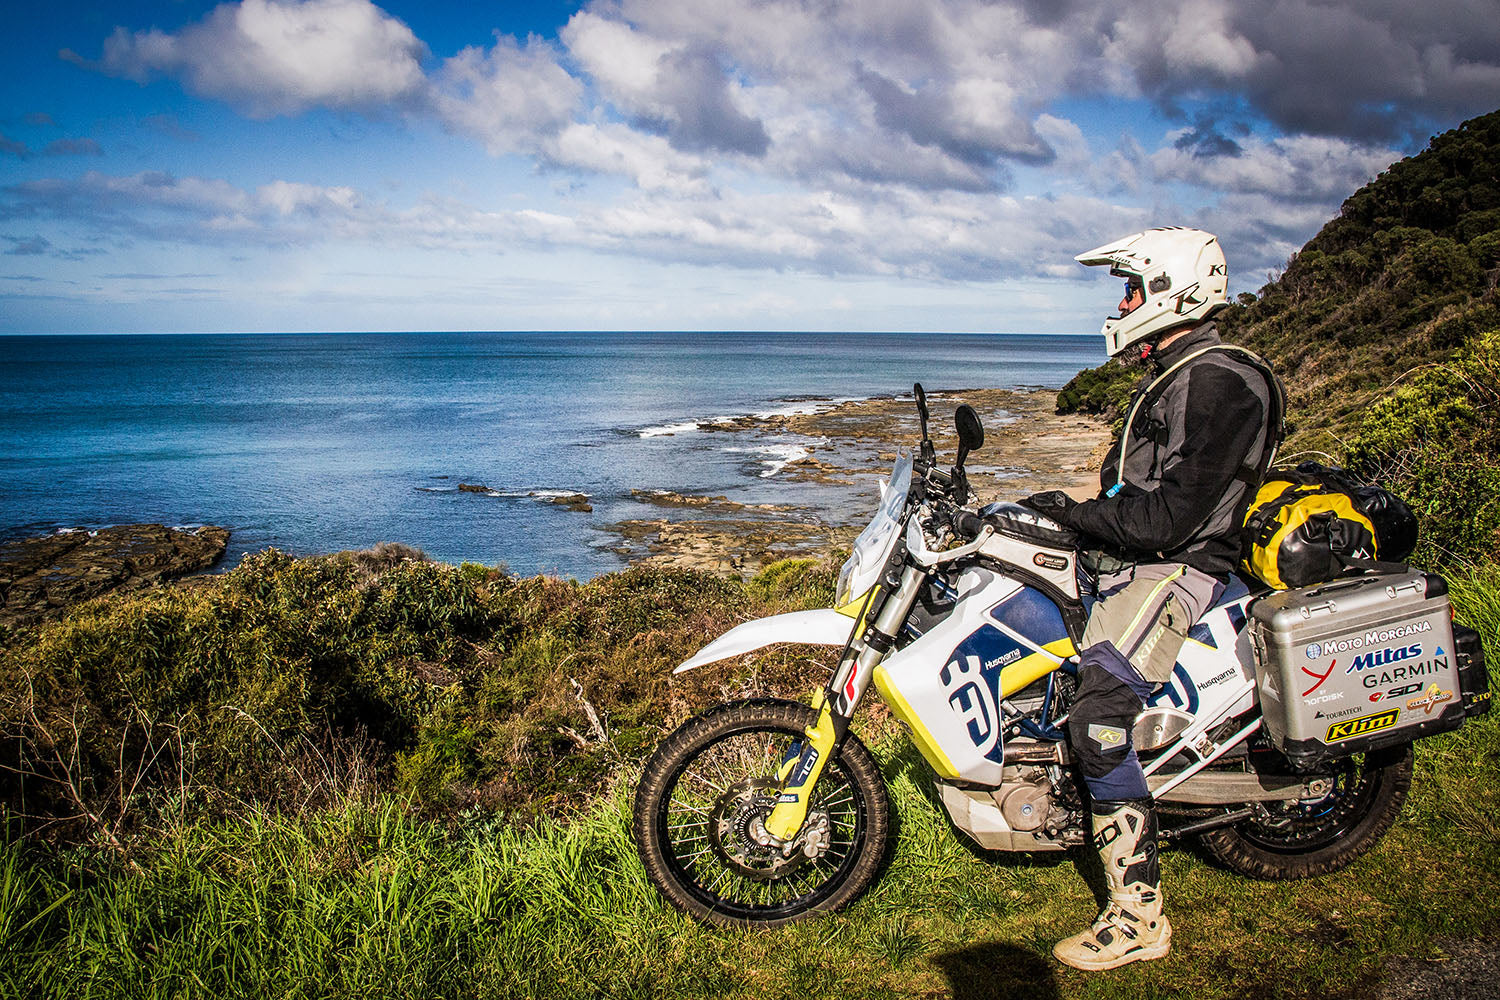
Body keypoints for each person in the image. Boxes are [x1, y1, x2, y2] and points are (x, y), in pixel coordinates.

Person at [1020, 227, 1279, 971]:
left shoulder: (1220, 380)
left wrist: (1072, 513)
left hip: (1176, 568)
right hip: (1140, 559)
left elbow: (1169, 520)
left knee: (1098, 719)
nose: (1124, 305)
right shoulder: (1181, 369)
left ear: (1173, 291)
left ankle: (1138, 918)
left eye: (1132, 290)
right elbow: (1137, 492)